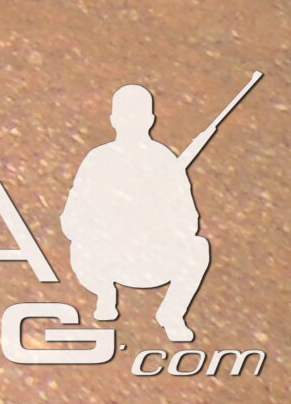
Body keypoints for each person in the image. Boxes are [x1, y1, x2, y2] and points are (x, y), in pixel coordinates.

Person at [62, 84, 216, 343]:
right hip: (105, 258)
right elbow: (72, 217)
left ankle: (172, 313)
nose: (131, 122)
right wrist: (104, 226)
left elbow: (189, 221)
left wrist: (155, 220)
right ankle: (104, 293)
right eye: (126, 115)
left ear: (150, 120)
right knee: (80, 246)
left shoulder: (165, 161)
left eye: (137, 116)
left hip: (152, 258)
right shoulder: (98, 159)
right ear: (114, 120)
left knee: (198, 248)